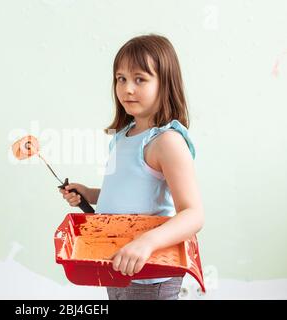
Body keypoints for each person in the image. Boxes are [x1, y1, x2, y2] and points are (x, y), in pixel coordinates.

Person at [59, 34, 204, 300]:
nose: (127, 88)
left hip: (151, 270)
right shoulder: (123, 135)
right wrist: (90, 194)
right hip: (118, 261)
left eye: (140, 79)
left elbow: (193, 215)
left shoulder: (167, 142)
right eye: (121, 78)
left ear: (165, 83)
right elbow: (129, 192)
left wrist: (145, 243)